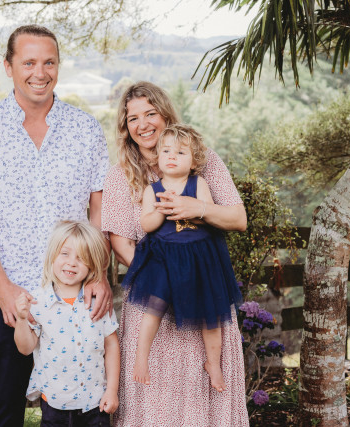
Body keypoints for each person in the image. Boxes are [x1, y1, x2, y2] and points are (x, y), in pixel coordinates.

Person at [0, 25, 113, 427]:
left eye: (49, 62)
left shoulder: (85, 129)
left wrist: (99, 275)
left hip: (76, 295)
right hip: (11, 297)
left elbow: (100, 210)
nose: (39, 73)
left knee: (77, 411)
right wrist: (4, 289)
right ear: (8, 66)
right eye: (28, 63)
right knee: (7, 410)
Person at [102, 81, 249, 426]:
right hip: (154, 296)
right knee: (156, 396)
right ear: (126, 127)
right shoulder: (120, 176)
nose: (143, 124)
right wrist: (166, 282)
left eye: (150, 113)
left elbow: (238, 218)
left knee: (204, 389)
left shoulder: (203, 160)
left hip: (204, 292)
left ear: (166, 115)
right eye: (133, 118)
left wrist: (199, 208)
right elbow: (121, 244)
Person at [122, 124, 243, 391]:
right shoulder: (153, 190)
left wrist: (193, 210)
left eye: (180, 152)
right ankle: (141, 358)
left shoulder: (198, 184)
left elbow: (208, 216)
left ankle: (213, 364)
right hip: (164, 257)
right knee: (153, 309)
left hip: (199, 256)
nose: (172, 157)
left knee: (211, 315)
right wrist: (161, 210)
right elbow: (146, 225)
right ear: (157, 158)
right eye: (166, 151)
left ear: (194, 161)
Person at [14, 220, 120, 426]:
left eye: (81, 258)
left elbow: (112, 345)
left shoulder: (98, 303)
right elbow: (25, 348)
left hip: (95, 403)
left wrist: (112, 390)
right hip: (55, 405)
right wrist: (21, 319)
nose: (72, 263)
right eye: (65, 254)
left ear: (92, 264)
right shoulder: (38, 301)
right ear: (52, 256)